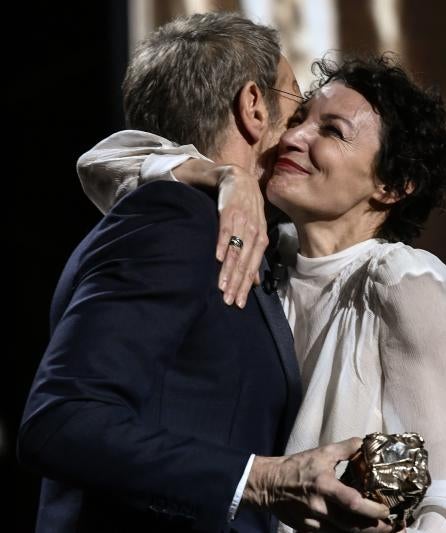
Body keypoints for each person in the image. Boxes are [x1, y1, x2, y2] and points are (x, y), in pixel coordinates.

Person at [76, 54, 446, 533]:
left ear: (392, 185)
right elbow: (102, 162)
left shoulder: (402, 281)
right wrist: (223, 175)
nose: (293, 138)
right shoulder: (263, 252)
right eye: (299, 118)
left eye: (331, 131)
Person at [18, 12, 392, 533]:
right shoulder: (174, 222)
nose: (301, 133)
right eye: (296, 106)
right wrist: (258, 479)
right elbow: (60, 422)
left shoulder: (204, 220)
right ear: (253, 106)